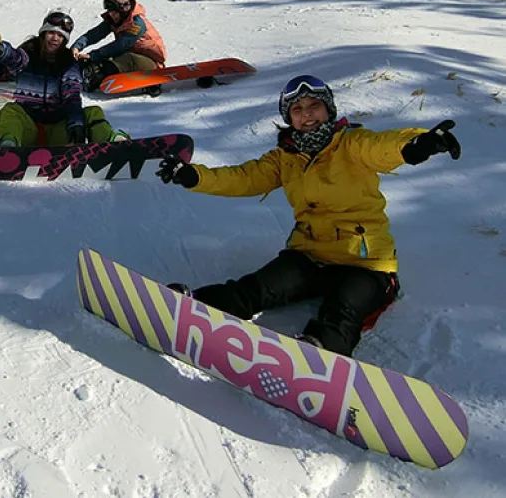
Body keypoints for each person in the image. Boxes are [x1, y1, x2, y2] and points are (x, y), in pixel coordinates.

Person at [156, 75, 462, 356]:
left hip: (365, 263)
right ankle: (193, 307)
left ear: (328, 109)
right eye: (298, 109)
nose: (307, 114)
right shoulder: (284, 159)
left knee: (344, 309)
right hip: (310, 254)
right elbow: (243, 177)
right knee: (257, 288)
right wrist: (194, 176)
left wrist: (416, 143)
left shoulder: (352, 144)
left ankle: (318, 355)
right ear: (289, 118)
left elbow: (383, 147)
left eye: (314, 105)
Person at [0, 10, 129, 147]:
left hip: (59, 130)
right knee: (11, 109)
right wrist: (1, 51)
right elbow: (14, 57)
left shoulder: (68, 62)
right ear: (43, 33)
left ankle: (113, 145)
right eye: (51, 33)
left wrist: (76, 124)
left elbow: (72, 96)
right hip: (29, 128)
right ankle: (7, 148)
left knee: (92, 112)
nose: (55, 38)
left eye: (60, 35)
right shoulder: (29, 54)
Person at [72, 0, 167, 91]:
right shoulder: (114, 19)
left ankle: (100, 74)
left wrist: (93, 56)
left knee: (126, 58)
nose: (112, 15)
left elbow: (121, 45)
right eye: (110, 12)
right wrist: (77, 47)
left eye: (115, 12)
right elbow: (94, 34)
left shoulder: (137, 24)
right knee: (114, 56)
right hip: (129, 54)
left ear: (124, 10)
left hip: (152, 64)